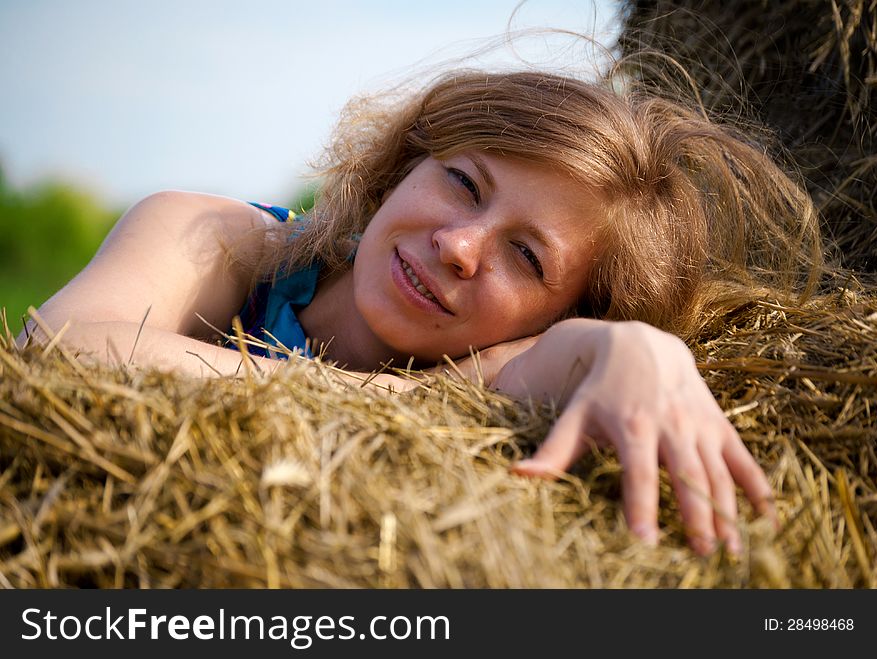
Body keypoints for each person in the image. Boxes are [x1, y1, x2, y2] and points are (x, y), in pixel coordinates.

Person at [16, 58, 824, 557]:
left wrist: (645, 352)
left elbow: (597, 359)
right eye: (464, 182)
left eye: (526, 255)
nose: (460, 245)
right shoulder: (213, 237)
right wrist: (419, 402)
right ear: (408, 160)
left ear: (552, 317)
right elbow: (61, 343)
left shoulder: (518, 359)